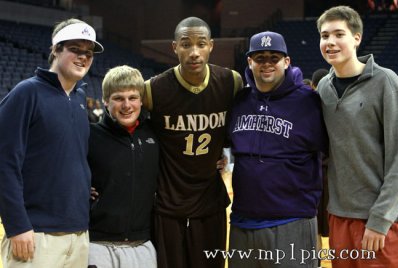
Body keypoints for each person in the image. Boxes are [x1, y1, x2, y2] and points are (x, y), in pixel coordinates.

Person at [0, 18, 103, 267]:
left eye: (88, 53)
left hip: (77, 233)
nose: (83, 57)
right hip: (35, 233)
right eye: (75, 49)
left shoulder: (80, 100)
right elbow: (4, 164)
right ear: (55, 50)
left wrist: (81, 186)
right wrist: (17, 225)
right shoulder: (26, 93)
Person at [143, 16, 243, 268]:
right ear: (174, 47)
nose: (194, 52)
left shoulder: (231, 82)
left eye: (201, 44)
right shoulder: (153, 90)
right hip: (167, 202)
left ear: (211, 45)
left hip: (210, 200)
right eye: (186, 44)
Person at [227, 31, 328, 267]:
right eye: (260, 58)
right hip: (243, 222)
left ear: (287, 61)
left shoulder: (308, 101)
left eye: (274, 57)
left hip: (291, 221)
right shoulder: (240, 100)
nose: (267, 63)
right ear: (249, 62)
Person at [317, 5, 398, 267]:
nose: (330, 42)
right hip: (339, 216)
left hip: (380, 220)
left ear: (357, 37)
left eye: (338, 34)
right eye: (324, 35)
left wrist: (381, 219)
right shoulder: (323, 89)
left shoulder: (386, 82)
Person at [87, 65, 159, 268]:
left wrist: (217, 160)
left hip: (141, 245)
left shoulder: (154, 135)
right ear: (105, 100)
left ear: (141, 100)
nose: (127, 105)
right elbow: (63, 170)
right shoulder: (89, 135)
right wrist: (79, 187)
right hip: (97, 245)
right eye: (118, 98)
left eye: (133, 97)